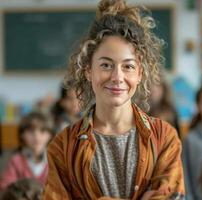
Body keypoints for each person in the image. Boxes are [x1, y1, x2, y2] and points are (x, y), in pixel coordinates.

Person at [43, 0, 185, 199]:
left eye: (127, 66)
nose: (117, 77)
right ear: (88, 71)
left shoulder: (164, 139)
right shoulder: (63, 147)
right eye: (106, 65)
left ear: (140, 74)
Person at [0, 112, 53, 190]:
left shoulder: (56, 160)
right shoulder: (16, 160)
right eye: (31, 131)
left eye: (42, 131)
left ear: (50, 134)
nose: (36, 136)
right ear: (22, 135)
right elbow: (5, 187)